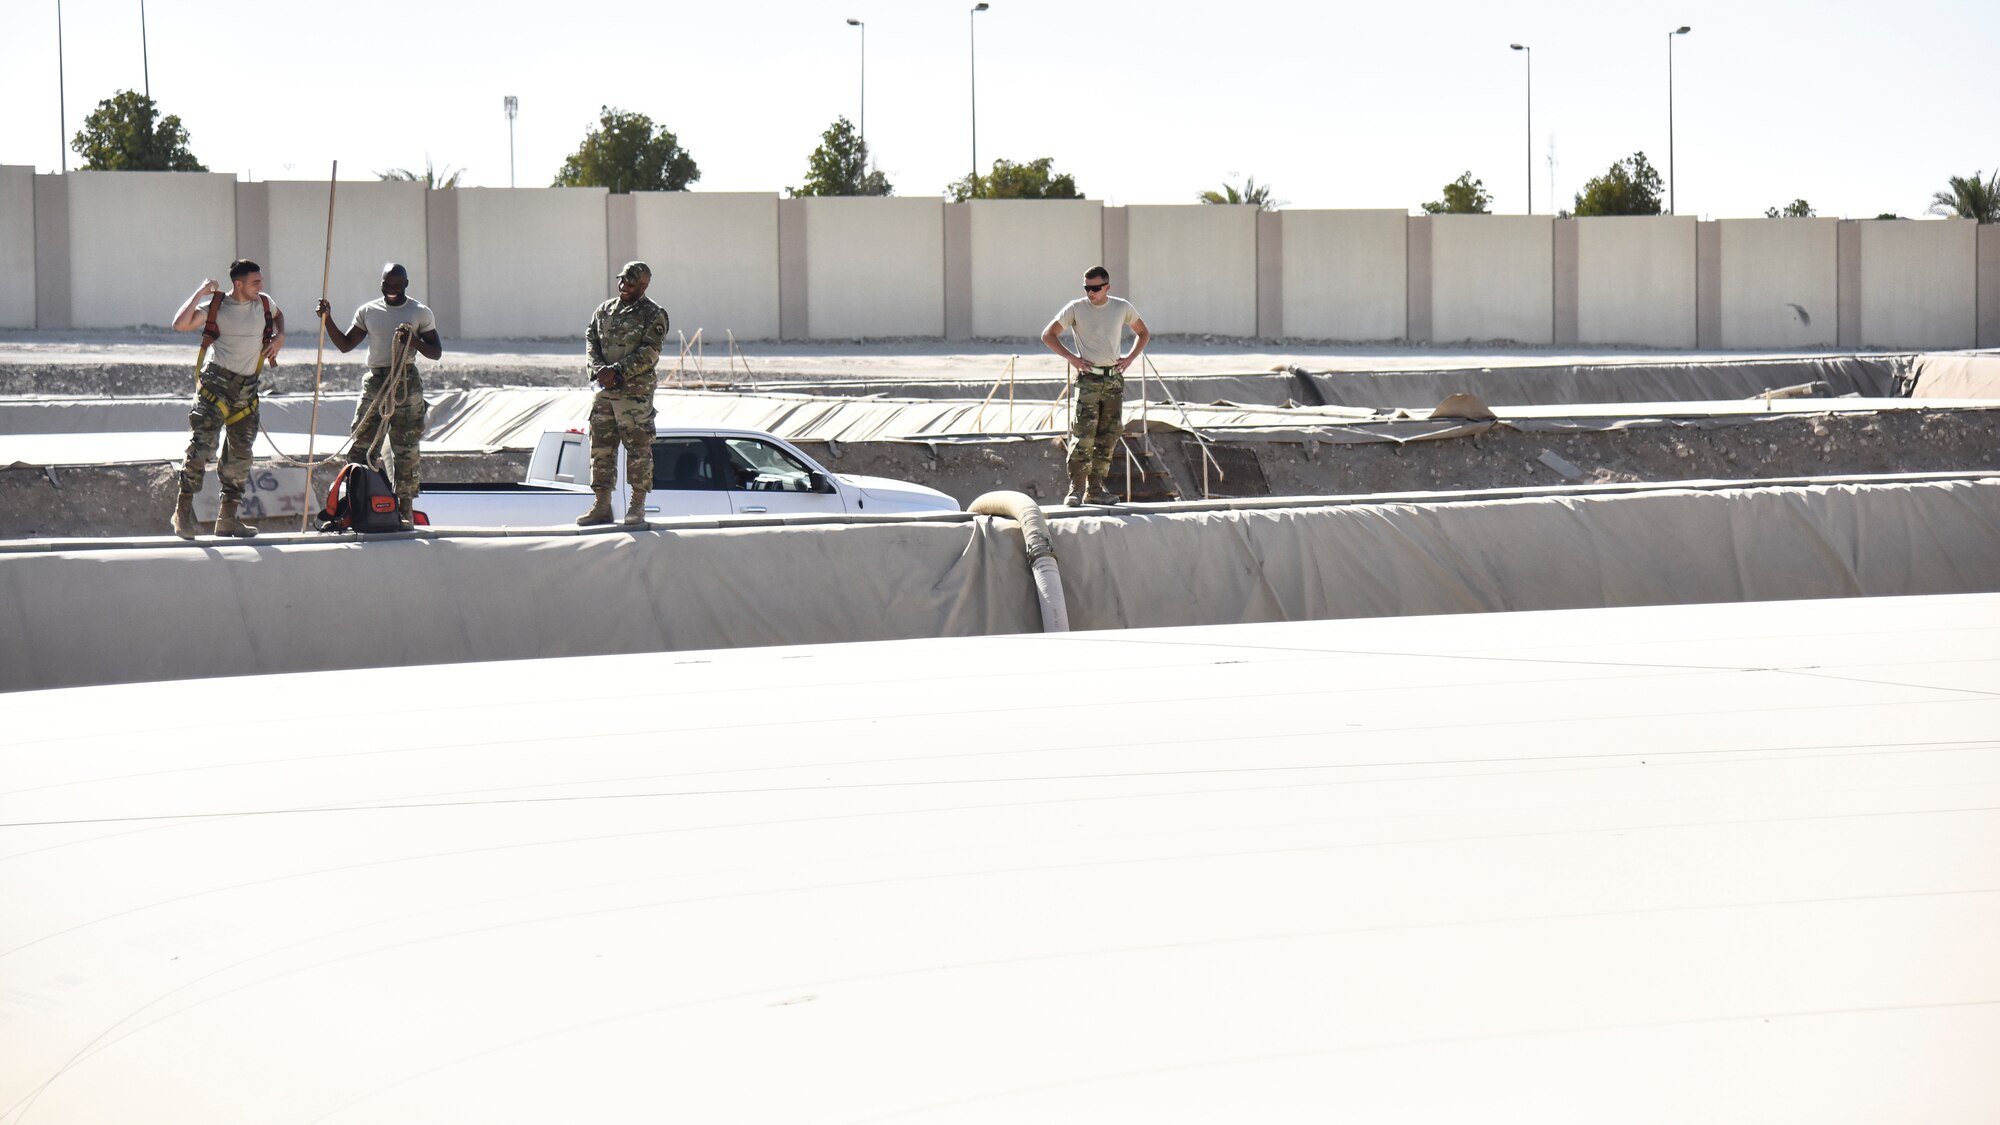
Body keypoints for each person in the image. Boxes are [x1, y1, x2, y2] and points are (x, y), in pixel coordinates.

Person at [316, 263, 444, 530]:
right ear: (381, 284)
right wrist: (327, 320)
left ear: (406, 285)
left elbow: (435, 352)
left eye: (398, 286)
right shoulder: (369, 311)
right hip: (376, 382)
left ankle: (405, 508)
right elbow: (345, 345)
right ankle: (356, 504)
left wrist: (414, 342)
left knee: (405, 448)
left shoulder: (420, 312)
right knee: (361, 443)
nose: (392, 290)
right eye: (388, 285)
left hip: (406, 380)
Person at [168, 260, 286, 538]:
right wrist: (201, 292)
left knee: (240, 456)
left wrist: (280, 336)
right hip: (216, 389)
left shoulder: (265, 304)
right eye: (255, 282)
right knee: (202, 450)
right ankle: (182, 513)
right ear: (239, 284)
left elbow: (279, 315)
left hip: (246, 392)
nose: (261, 286)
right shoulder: (218, 307)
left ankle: (228, 518)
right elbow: (180, 324)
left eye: (261, 281)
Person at [1041, 265, 1150, 505]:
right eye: (1087, 288)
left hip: (1113, 379)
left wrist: (1130, 358)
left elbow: (1143, 333)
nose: (1090, 293)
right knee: (1083, 436)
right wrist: (1072, 358)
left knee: (1108, 436)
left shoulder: (1121, 307)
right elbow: (1048, 334)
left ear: (1107, 287)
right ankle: (1076, 489)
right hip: (1088, 380)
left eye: (1095, 288)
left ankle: (1096, 489)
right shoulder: (1076, 308)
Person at [578, 261, 669, 526]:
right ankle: (602, 505)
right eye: (621, 281)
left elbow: (650, 352)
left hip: (633, 397)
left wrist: (618, 371)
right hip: (604, 394)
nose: (622, 287)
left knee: (639, 449)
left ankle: (637, 506)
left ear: (643, 285)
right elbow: (591, 340)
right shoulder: (604, 310)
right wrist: (598, 370)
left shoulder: (653, 314)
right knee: (601, 450)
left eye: (629, 283)